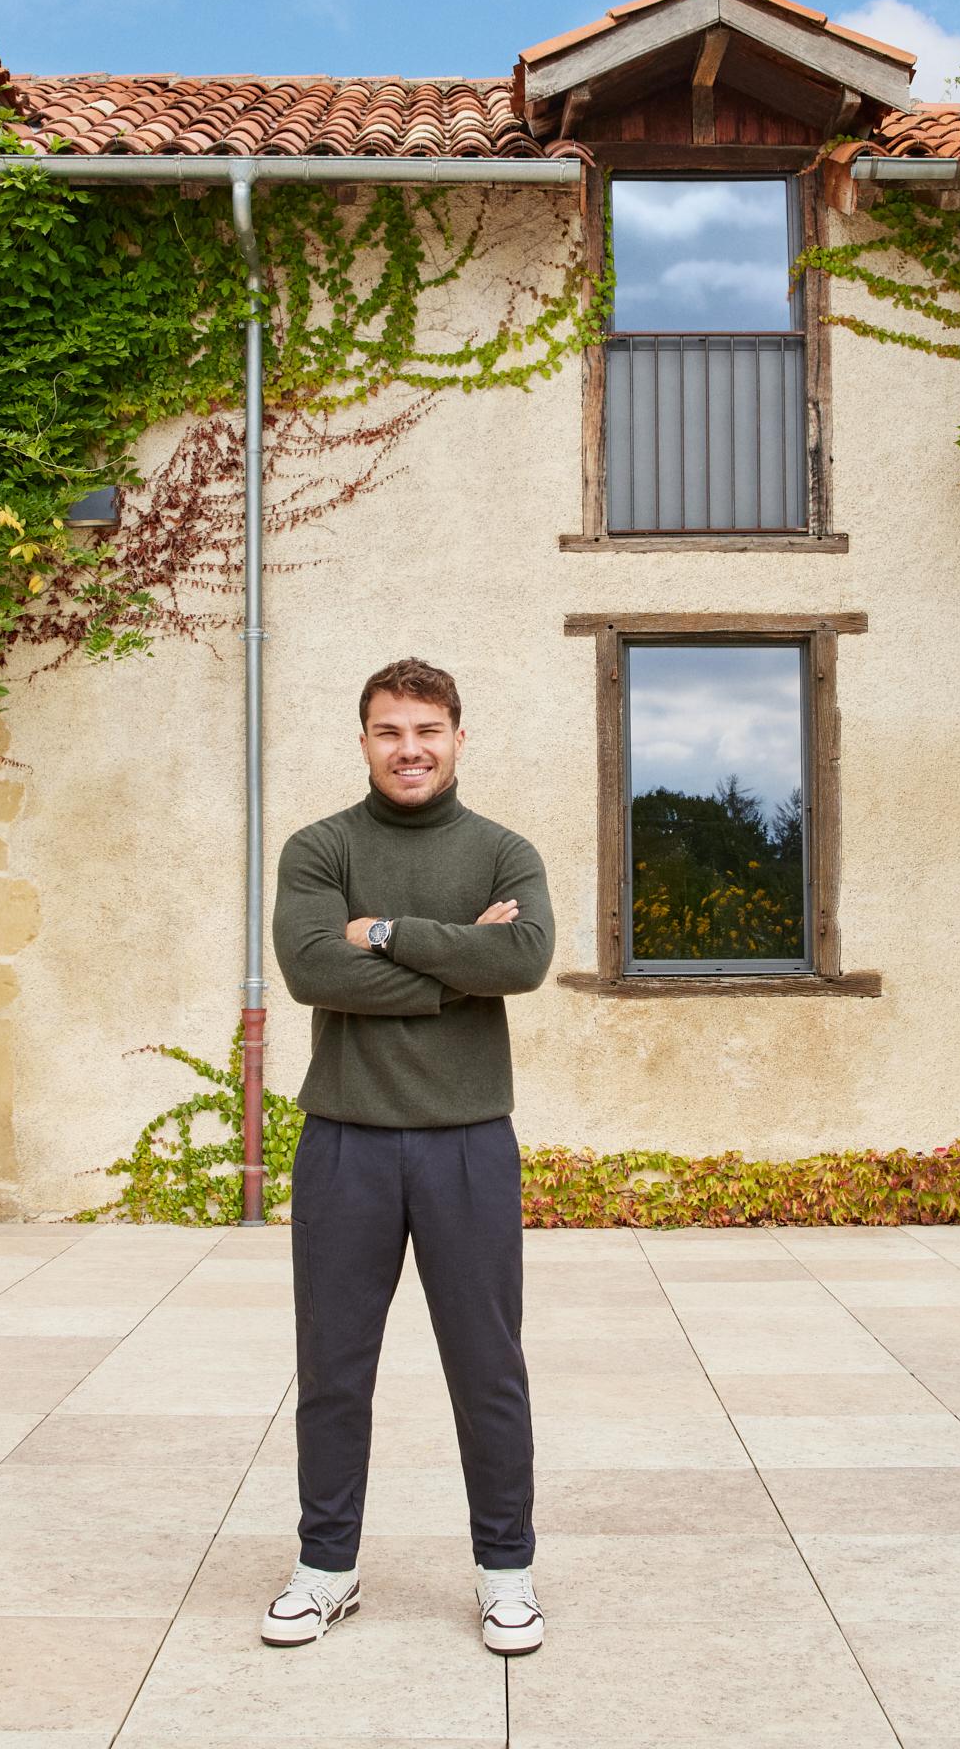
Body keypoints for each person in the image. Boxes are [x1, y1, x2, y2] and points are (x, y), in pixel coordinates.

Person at [258, 656, 555, 1657]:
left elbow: (522, 958)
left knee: (488, 1367)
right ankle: (324, 1568)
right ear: (364, 739)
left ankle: (507, 1573)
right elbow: (309, 969)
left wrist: (382, 935)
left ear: (460, 736)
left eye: (427, 728)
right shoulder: (318, 849)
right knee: (333, 1366)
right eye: (390, 730)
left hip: (470, 1141)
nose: (410, 747)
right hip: (344, 1139)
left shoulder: (504, 852)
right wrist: (453, 966)